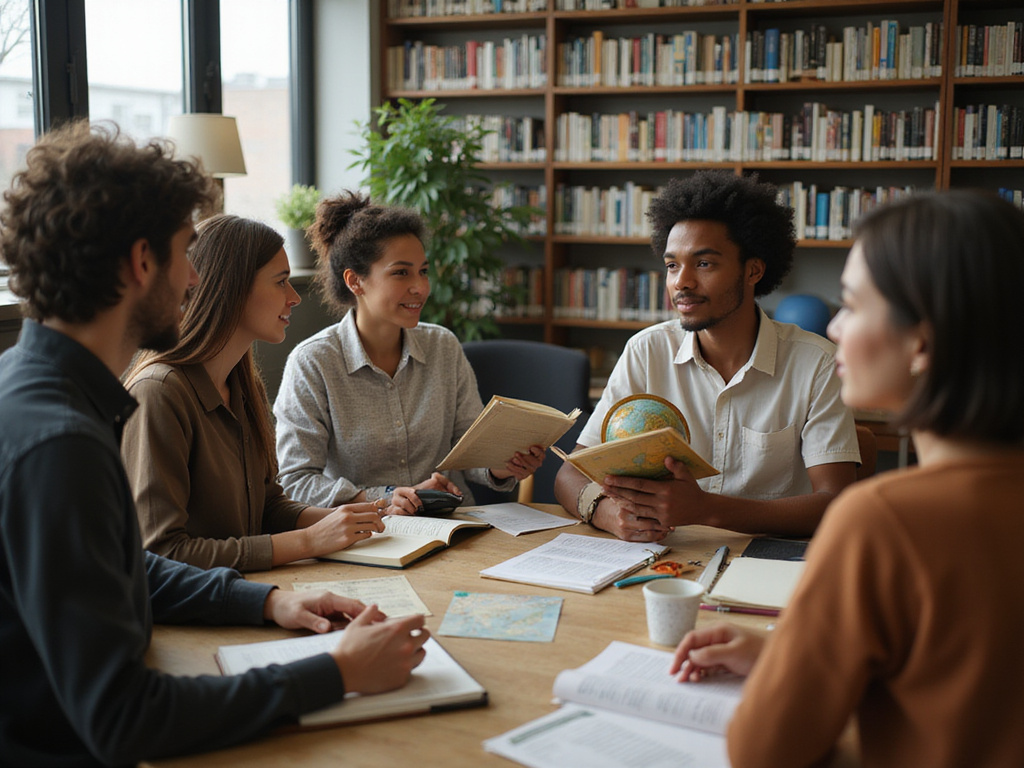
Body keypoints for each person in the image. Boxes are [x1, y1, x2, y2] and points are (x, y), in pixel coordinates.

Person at [0, 122, 428, 766]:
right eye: (184, 254)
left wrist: (269, 601)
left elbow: (124, 568)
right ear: (141, 263)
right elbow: (124, 719)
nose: (195, 279)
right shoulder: (60, 444)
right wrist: (334, 674)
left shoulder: (41, 391)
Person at [671, 190, 1024, 768]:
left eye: (853, 305)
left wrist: (798, 667)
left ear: (923, 341)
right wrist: (801, 652)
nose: (833, 326)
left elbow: (764, 751)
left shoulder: (883, 522)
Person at [554, 170, 859, 541]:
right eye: (671, 265)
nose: (681, 281)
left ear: (753, 270)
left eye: (703, 263)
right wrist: (606, 513)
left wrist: (708, 510)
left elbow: (838, 503)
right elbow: (570, 474)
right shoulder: (646, 350)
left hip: (764, 565)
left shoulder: (817, 364)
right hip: (664, 559)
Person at [121, 214, 388, 571]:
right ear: (230, 288)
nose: (294, 298)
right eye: (281, 282)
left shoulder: (243, 384)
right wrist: (309, 540)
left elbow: (267, 507)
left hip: (246, 590)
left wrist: (342, 518)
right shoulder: (159, 393)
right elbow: (162, 555)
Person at [273, 191, 544, 513]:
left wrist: (504, 465)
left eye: (423, 271)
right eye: (401, 272)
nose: (420, 287)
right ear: (355, 281)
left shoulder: (443, 346)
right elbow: (296, 482)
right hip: (367, 534)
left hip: (449, 525)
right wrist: (385, 496)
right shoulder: (313, 363)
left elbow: (468, 451)